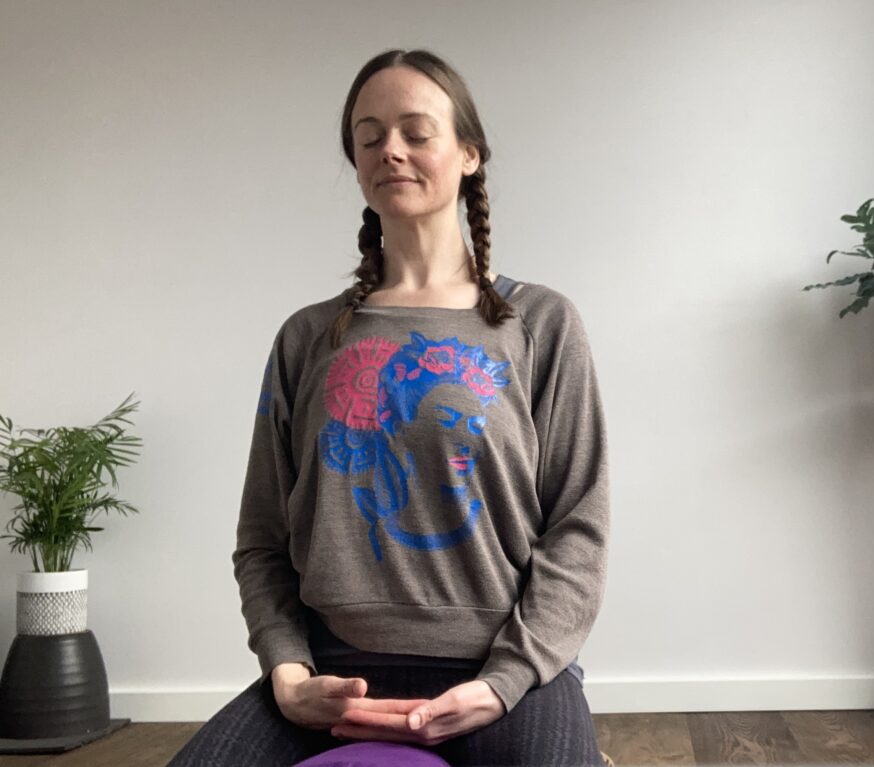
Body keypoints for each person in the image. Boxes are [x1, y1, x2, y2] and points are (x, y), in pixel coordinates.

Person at [169, 48, 610, 766]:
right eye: (369, 135)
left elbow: (578, 531)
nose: (390, 150)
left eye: (415, 131)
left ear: (469, 153)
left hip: (502, 670)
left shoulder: (541, 324)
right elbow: (262, 536)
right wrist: (287, 670)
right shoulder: (309, 336)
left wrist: (505, 680)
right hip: (330, 671)